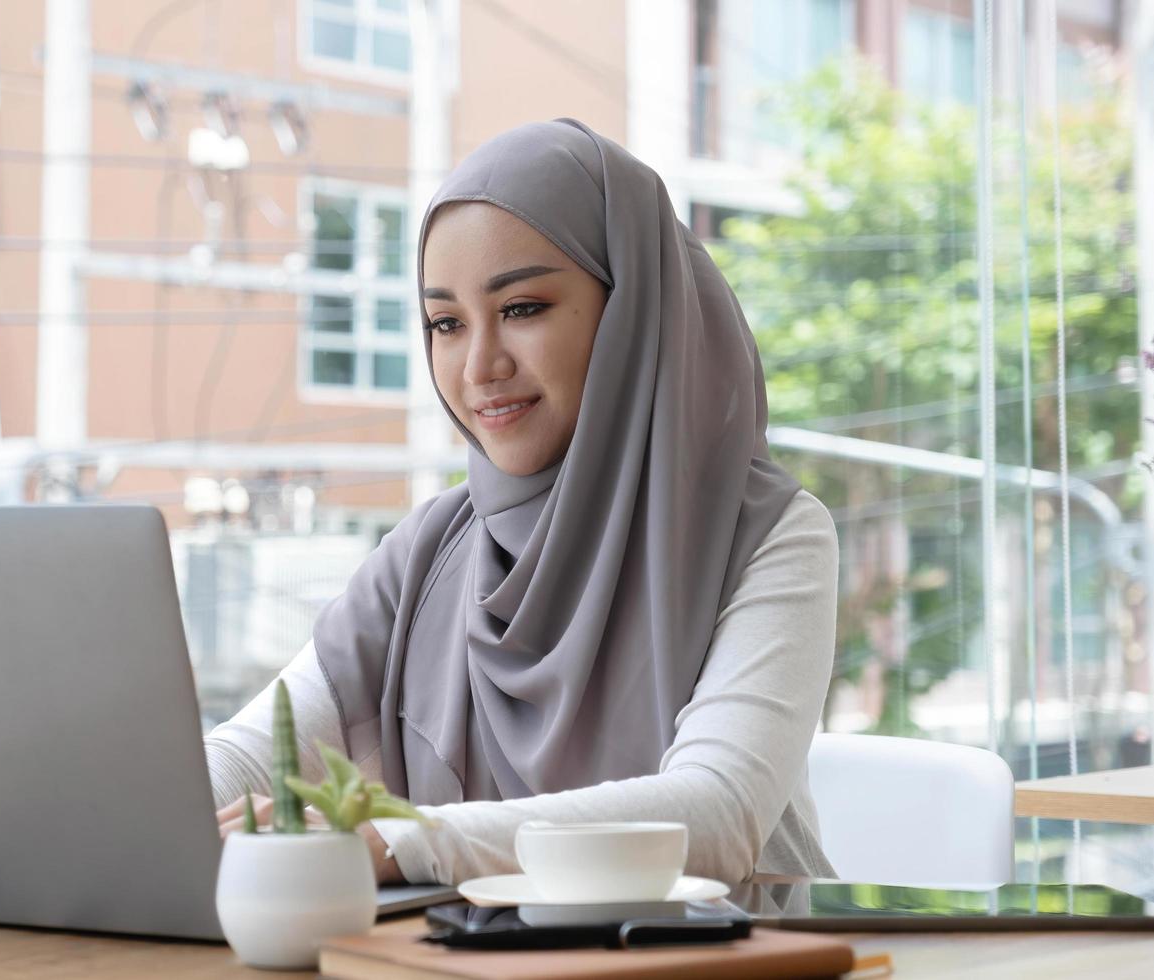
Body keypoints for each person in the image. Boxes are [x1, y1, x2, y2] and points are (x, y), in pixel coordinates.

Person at [207, 118, 838, 888]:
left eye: (522, 308)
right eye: (445, 323)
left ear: (630, 309)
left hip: (745, 959)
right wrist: (109, 815)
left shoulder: (768, 535)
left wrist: (397, 841)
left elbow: (714, 814)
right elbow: (254, 754)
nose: (479, 366)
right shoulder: (433, 551)